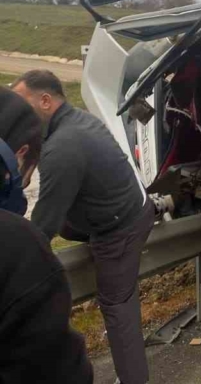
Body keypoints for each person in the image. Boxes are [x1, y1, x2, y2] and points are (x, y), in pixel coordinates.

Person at [12, 70, 154, 384]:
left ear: (45, 101)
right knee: (66, 224)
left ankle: (134, 380)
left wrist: (14, 264)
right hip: (132, 205)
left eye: (23, 105)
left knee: (116, 305)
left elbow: (43, 227)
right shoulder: (74, 119)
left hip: (119, 229)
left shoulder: (63, 146)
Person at [0, 86, 93, 383]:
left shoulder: (68, 138)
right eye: (27, 173)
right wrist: (32, 243)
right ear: (19, 156)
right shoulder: (15, 245)